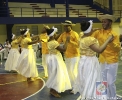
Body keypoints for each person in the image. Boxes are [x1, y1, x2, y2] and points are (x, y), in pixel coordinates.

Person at [73, 20, 114, 99]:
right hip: (90, 62)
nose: (93, 29)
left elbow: (85, 32)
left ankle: (88, 95)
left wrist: (93, 29)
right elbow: (99, 50)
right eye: (91, 28)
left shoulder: (81, 36)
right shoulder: (90, 40)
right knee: (95, 79)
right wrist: (108, 40)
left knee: (86, 80)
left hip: (83, 62)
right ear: (89, 30)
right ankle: (97, 97)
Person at [92, 14, 121, 100]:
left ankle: (112, 98)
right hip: (102, 60)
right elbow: (88, 37)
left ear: (110, 23)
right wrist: (93, 29)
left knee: (110, 82)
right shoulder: (98, 32)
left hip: (112, 61)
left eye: (105, 21)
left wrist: (111, 42)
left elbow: (118, 49)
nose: (103, 23)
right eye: (102, 22)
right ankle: (102, 97)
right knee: (101, 81)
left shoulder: (114, 34)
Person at [45, 27, 71, 98]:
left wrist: (60, 33)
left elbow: (55, 38)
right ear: (53, 35)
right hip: (55, 59)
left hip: (50, 58)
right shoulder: (54, 42)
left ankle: (52, 89)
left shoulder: (49, 40)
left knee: (53, 74)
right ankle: (54, 91)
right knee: (57, 74)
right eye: (55, 34)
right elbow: (63, 49)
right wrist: (67, 41)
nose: (56, 35)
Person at [57, 20, 80, 91]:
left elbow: (78, 45)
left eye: (67, 26)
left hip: (74, 56)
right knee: (68, 72)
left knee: (74, 71)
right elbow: (57, 42)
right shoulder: (63, 34)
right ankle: (71, 85)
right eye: (64, 26)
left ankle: (77, 87)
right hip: (67, 56)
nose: (65, 27)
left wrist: (70, 41)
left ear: (71, 26)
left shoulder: (75, 34)